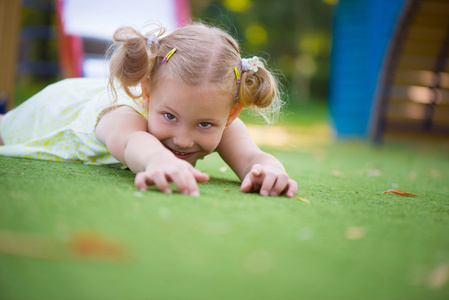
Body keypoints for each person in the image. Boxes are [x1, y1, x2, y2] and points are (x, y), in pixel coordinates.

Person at [0, 22, 298, 197]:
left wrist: (268, 170)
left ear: (231, 114)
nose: (182, 140)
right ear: (147, 94)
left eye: (204, 124)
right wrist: (156, 160)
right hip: (54, 110)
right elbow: (134, 142)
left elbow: (252, 157)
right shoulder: (122, 117)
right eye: (170, 117)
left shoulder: (221, 117)